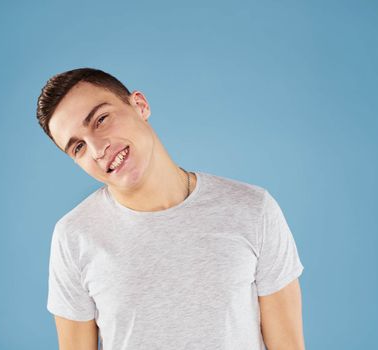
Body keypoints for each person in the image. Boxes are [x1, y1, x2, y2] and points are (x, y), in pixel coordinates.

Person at [36, 67, 306, 350]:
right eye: (78, 147)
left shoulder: (253, 209)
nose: (96, 149)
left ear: (140, 105)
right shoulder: (74, 237)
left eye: (101, 120)